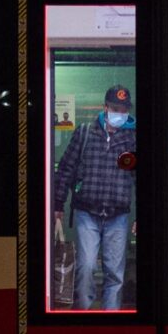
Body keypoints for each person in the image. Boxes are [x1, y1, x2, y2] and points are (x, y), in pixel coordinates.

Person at [52, 85, 135, 310]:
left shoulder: (132, 139)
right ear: (105, 107)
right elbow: (66, 168)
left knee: (114, 273)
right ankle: (86, 314)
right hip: (86, 213)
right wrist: (57, 203)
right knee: (86, 267)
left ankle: (111, 319)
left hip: (118, 215)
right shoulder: (85, 132)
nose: (120, 113)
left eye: (124, 109)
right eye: (115, 108)